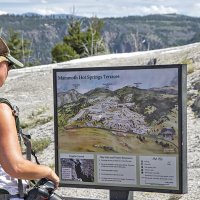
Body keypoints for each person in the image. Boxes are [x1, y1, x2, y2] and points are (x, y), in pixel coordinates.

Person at [0, 37, 60, 199]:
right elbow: (16, 167)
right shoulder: (1, 109)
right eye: (8, 65)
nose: (9, 70)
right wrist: (47, 171)